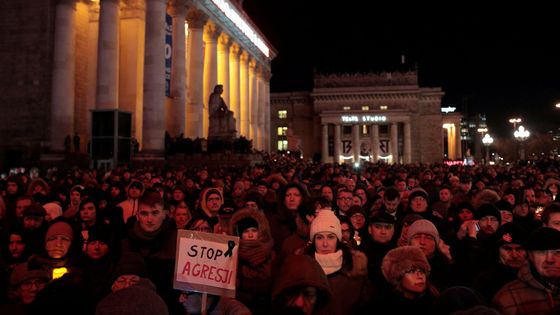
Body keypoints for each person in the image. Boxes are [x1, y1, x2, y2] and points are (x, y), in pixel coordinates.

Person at [304, 210, 373, 315]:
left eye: (331, 237)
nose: (325, 244)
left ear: (338, 239)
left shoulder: (354, 269)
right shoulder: (303, 269)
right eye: (319, 237)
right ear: (313, 241)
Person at [492, 227, 560, 314]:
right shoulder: (506, 298)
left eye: (558, 252)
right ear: (530, 256)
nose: (550, 259)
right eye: (541, 252)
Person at [229, 207, 275, 314]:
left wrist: (243, 285)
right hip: (240, 307)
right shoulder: (232, 254)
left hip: (266, 307)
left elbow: (272, 282)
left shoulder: (270, 253)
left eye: (254, 230)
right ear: (240, 234)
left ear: (259, 232)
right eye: (246, 231)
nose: (250, 235)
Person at [378, 245, 440, 313]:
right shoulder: (383, 305)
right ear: (398, 276)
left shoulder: (435, 303)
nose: (420, 276)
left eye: (421, 271)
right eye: (411, 271)